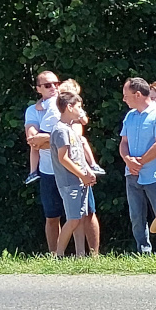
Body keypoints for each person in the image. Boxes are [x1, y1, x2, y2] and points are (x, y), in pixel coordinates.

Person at [119, 77, 156, 254]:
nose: (124, 99)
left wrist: (139, 162)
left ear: (137, 94)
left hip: (155, 175)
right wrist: (128, 160)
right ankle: (142, 251)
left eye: (126, 95)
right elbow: (123, 142)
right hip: (132, 174)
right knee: (136, 216)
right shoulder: (130, 116)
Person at [50, 86, 97, 258]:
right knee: (73, 220)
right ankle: (58, 255)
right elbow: (64, 158)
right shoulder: (61, 130)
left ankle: (80, 255)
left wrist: (88, 173)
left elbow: (78, 156)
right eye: (79, 107)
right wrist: (82, 175)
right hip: (70, 182)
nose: (81, 110)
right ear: (69, 107)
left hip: (79, 180)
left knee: (81, 218)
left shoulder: (70, 129)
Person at [23, 70, 63, 253]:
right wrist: (55, 141)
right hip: (48, 171)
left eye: (56, 83)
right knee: (51, 217)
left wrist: (46, 140)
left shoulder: (66, 103)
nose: (53, 87)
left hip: (72, 169)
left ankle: (90, 257)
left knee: (84, 214)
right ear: (38, 89)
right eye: (47, 85)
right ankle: (55, 255)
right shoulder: (32, 110)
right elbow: (32, 140)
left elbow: (75, 135)